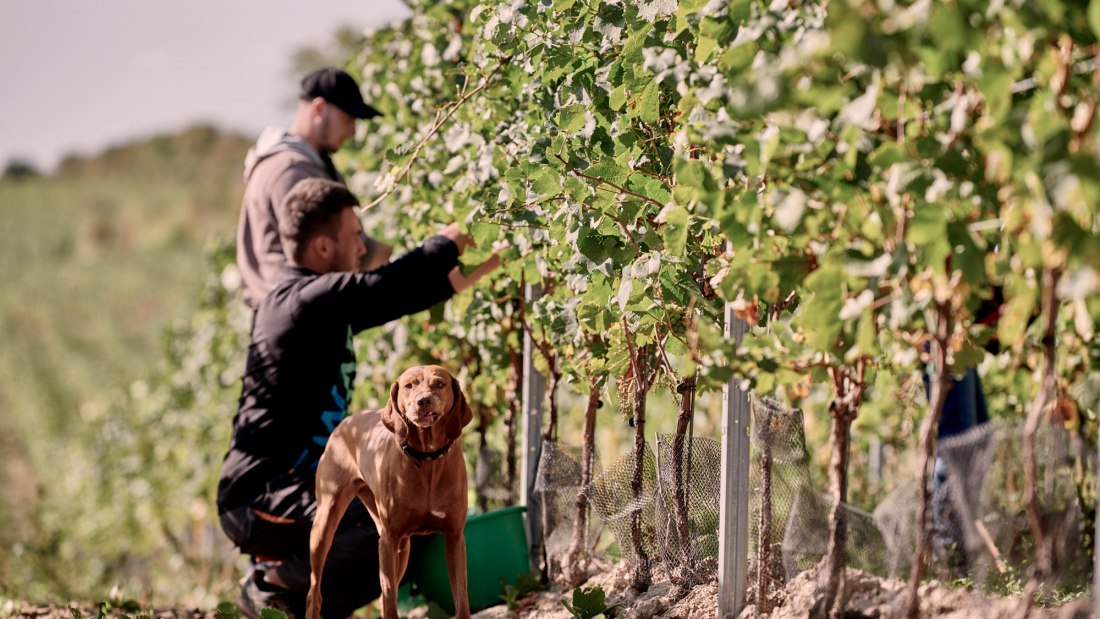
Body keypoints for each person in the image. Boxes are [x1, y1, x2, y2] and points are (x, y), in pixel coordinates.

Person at [217, 178, 501, 618]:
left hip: (300, 483)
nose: (363, 245)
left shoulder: (322, 307)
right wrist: (464, 229)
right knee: (388, 526)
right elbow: (386, 285)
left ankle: (292, 605)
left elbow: (402, 296)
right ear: (324, 248)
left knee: (399, 535)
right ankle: (267, 583)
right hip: (259, 497)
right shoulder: (300, 303)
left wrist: (486, 264)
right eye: (355, 234)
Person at [236, 66, 393, 310]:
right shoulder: (291, 171)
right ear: (319, 109)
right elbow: (337, 250)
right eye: (348, 118)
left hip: (296, 313)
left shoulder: (305, 163)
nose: (353, 130)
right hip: (295, 318)